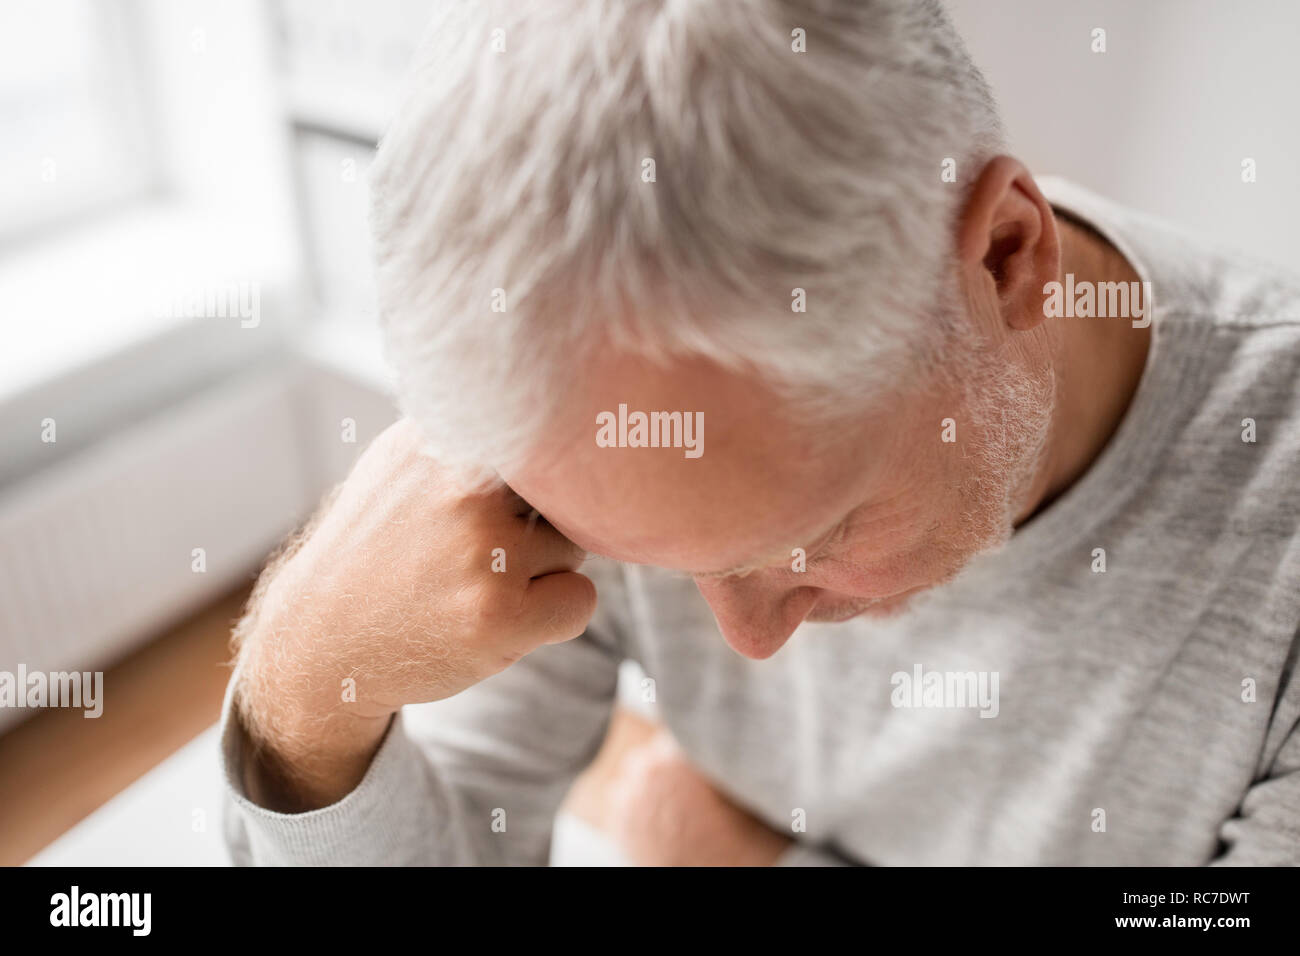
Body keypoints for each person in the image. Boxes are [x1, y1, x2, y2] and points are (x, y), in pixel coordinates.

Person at [221, 0, 1300, 865]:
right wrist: (305, 684)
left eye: (810, 533)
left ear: (1007, 257)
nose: (743, 640)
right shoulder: (592, 426)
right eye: (651, 561)